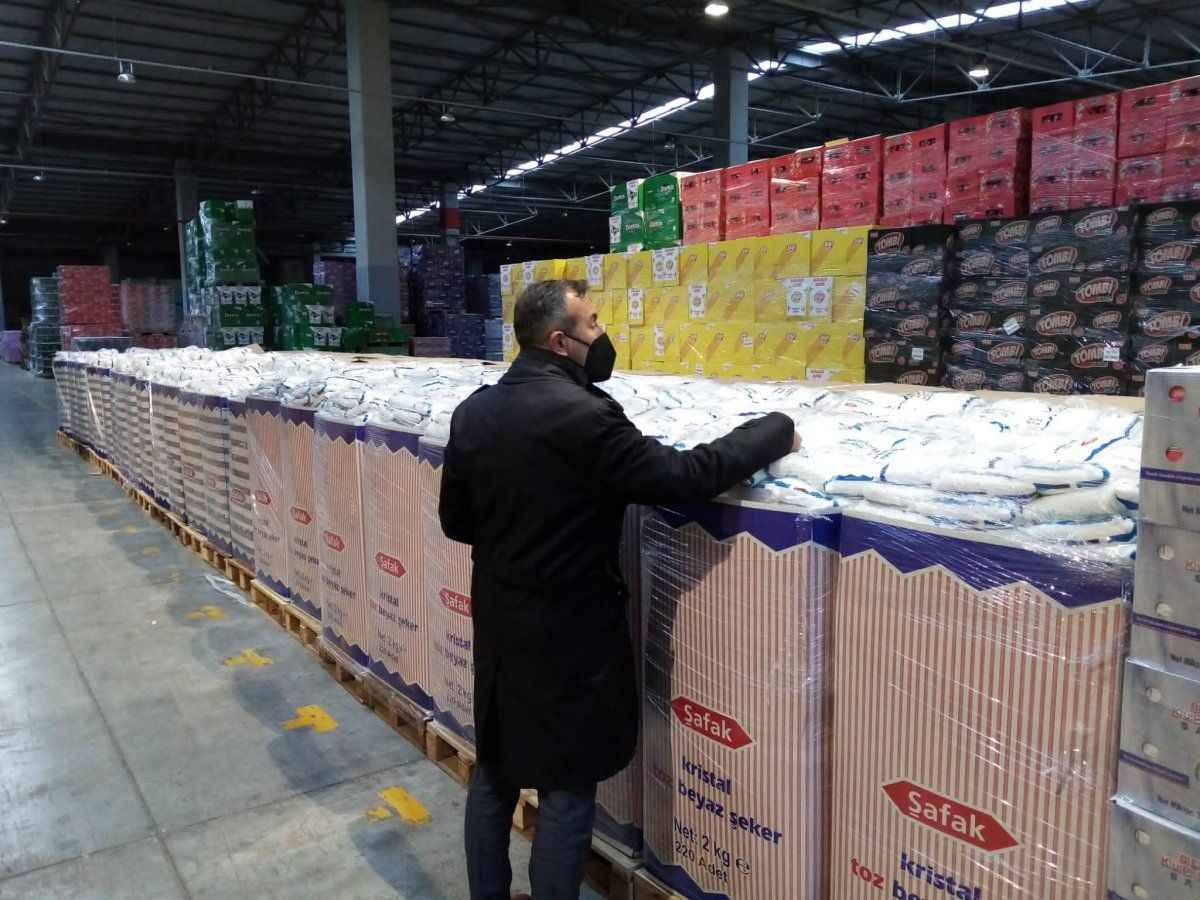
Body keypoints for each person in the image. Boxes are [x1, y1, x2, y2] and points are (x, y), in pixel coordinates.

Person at [438, 279, 798, 900]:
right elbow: (685, 476)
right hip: (571, 635)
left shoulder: (475, 411)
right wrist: (773, 430)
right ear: (560, 342)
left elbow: (456, 522)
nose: (602, 334)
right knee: (567, 785)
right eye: (593, 324)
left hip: (501, 622)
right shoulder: (585, 418)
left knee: (496, 769)